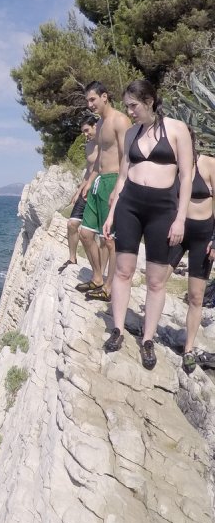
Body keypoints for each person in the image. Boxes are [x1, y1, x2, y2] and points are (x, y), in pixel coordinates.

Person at [102, 80, 193, 369]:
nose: (130, 112)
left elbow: (186, 177)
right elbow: (121, 177)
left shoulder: (177, 129)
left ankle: (148, 340)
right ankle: (117, 330)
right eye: (127, 106)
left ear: (150, 101)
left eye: (134, 106)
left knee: (155, 280)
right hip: (129, 205)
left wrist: (180, 218)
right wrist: (112, 212)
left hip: (162, 210)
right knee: (123, 271)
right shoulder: (130, 134)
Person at [75, 82, 131, 301]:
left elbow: (127, 156)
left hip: (114, 181)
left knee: (109, 239)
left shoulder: (120, 120)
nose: (90, 105)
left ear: (105, 96)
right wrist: (90, 180)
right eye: (88, 101)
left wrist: (119, 187)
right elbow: (100, 157)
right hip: (99, 181)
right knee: (85, 233)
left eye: (93, 100)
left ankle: (109, 287)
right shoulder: (101, 124)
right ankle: (97, 277)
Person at [167, 134, 215, 373]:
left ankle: (188, 349)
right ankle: (147, 335)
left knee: (196, 297)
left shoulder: (208, 164)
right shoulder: (172, 168)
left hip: (203, 238)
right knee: (156, 281)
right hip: (176, 233)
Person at [59, 115, 100, 273]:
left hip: (99, 188)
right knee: (72, 224)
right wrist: (78, 190)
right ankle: (72, 258)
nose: (85, 134)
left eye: (87, 130)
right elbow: (89, 171)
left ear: (95, 126)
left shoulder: (105, 144)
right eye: (83, 131)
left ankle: (98, 271)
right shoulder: (89, 146)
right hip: (86, 189)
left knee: (98, 235)